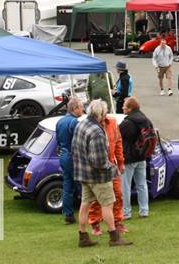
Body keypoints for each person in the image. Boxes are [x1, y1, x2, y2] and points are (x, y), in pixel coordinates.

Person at [73, 99, 131, 247]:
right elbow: (99, 161)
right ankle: (114, 237)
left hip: (83, 175)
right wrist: (113, 168)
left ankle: (83, 237)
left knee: (85, 204)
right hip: (98, 177)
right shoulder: (97, 132)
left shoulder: (81, 124)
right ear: (101, 113)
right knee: (107, 205)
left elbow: (75, 149)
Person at [88, 113, 126, 235]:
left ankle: (118, 222)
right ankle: (95, 224)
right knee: (96, 197)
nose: (102, 118)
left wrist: (120, 162)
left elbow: (118, 142)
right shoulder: (90, 125)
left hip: (112, 165)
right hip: (96, 167)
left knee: (118, 194)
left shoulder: (113, 123)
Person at [119, 97, 153, 220]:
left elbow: (117, 136)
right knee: (142, 184)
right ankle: (144, 210)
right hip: (142, 157)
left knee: (125, 186)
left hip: (128, 158)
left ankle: (126, 213)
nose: (122, 107)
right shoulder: (145, 119)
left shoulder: (127, 123)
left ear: (130, 108)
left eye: (124, 105)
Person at [55, 95, 83, 224]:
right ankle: (89, 214)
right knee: (82, 186)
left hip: (63, 156)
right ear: (75, 108)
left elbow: (58, 141)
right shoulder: (74, 122)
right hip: (73, 157)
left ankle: (68, 215)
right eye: (81, 107)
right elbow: (79, 142)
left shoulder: (60, 121)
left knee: (67, 186)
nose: (82, 110)